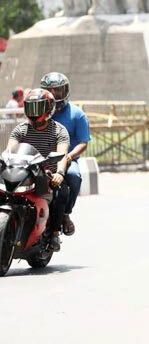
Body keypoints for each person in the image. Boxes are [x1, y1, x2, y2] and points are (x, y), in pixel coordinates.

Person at [7, 89, 70, 251]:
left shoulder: (59, 131)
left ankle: (55, 232)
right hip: (23, 172)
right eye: (30, 108)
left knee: (62, 192)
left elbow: (62, 155)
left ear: (49, 108)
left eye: (38, 108)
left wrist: (60, 173)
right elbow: (9, 151)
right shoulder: (20, 129)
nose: (34, 113)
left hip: (47, 175)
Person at [41, 72, 90, 237]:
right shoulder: (41, 112)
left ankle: (66, 214)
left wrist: (69, 157)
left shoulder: (77, 114)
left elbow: (83, 142)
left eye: (58, 90)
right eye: (50, 90)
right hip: (41, 158)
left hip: (67, 159)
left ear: (65, 90)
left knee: (75, 177)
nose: (54, 94)